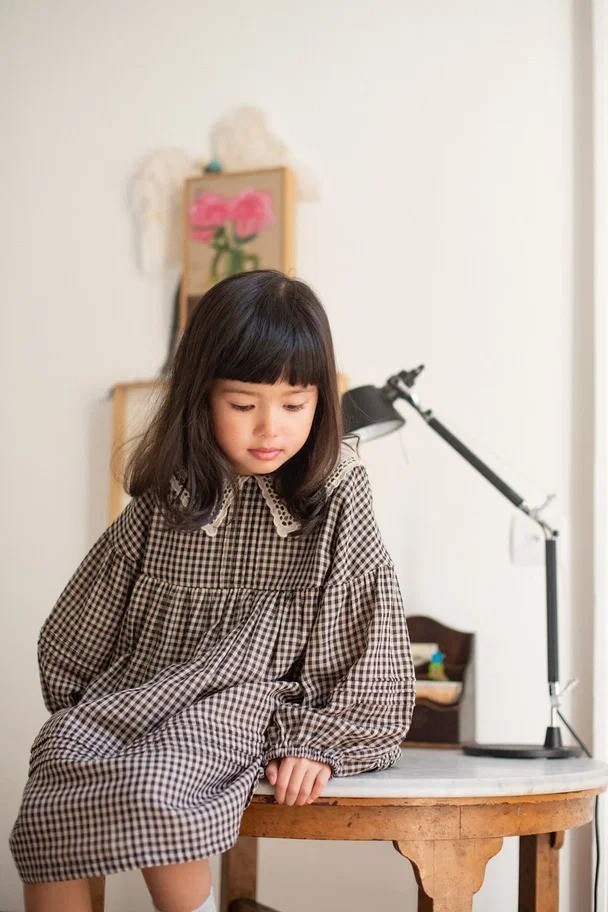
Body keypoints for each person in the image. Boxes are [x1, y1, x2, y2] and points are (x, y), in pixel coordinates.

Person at [9, 268, 416, 912]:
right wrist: (78, 699)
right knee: (56, 768)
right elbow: (93, 605)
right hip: (142, 685)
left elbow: (364, 622)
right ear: (201, 397)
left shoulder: (337, 487)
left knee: (158, 781)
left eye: (294, 405)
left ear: (321, 401)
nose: (270, 429)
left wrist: (318, 739)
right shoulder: (173, 487)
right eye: (243, 405)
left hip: (242, 694)